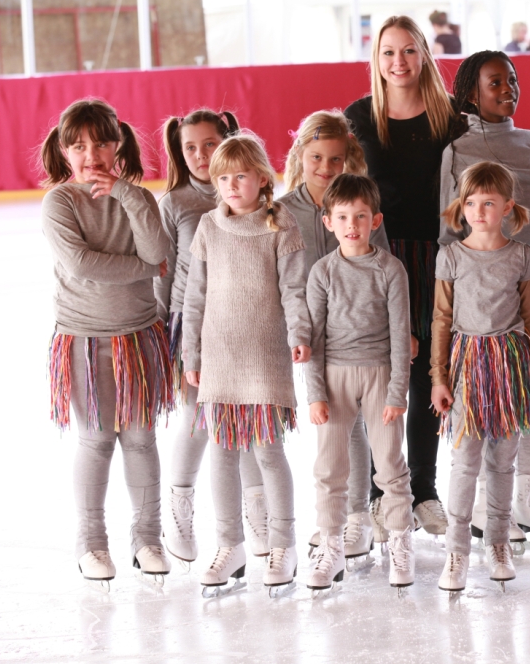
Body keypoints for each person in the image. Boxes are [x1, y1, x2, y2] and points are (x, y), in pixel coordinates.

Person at [439, 50, 530, 546]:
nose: (508, 88)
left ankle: (526, 499)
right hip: (477, 294)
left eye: (512, 80)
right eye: (495, 82)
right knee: (477, 396)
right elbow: (447, 229)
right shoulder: (457, 149)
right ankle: (480, 502)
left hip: (529, 283)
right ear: (472, 93)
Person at [40, 98, 173, 587]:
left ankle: (148, 538)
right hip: (84, 338)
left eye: (100, 143)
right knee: (96, 440)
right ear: (64, 151)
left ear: (118, 145)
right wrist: (145, 268)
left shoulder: (138, 198)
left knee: (140, 438)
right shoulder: (60, 202)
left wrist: (126, 196)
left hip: (139, 336)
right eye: (78, 146)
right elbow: (83, 266)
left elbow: (159, 248)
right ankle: (92, 543)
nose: (90, 155)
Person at [344, 15, 458, 541]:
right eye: (388, 52)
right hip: (379, 259)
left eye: (409, 50)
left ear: (424, 56)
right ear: (377, 59)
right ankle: (381, 492)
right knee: (382, 378)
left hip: (437, 258)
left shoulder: (450, 117)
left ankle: (425, 489)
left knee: (427, 376)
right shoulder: (360, 117)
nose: (399, 61)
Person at [182, 133, 311, 596]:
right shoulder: (209, 227)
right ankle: (230, 545)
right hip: (220, 356)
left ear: (261, 178)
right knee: (222, 452)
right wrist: (191, 352)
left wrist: (299, 334)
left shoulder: (282, 225)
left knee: (268, 452)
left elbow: (294, 289)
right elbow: (195, 296)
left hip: (264, 356)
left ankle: (283, 544)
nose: (231, 186)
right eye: (223, 178)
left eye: (240, 176)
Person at [156, 108, 272, 570]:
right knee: (199, 420)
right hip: (191, 323)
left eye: (210, 144)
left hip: (243, 323)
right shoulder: (176, 203)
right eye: (190, 147)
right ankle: (179, 508)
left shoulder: (250, 195)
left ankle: (257, 516)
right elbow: (163, 273)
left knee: (245, 423)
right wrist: (163, 333)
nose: (201, 155)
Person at [431, 161, 530, 592]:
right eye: (471, 202)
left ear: (507, 207)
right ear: (461, 206)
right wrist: (439, 377)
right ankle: (457, 550)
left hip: (511, 366)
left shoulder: (521, 255)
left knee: (503, 462)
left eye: (489, 203)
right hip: (467, 365)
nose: (478, 211)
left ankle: (498, 543)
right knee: (465, 462)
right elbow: (441, 320)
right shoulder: (450, 256)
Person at [276, 110, 387, 560]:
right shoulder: (282, 212)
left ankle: (358, 516)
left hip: (358, 337)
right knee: (327, 425)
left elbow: (384, 263)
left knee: (354, 424)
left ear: (348, 159)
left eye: (335, 159)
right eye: (316, 157)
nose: (325, 167)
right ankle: (331, 518)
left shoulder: (360, 201)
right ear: (300, 155)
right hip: (309, 336)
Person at [305, 174, 415, 593]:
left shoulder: (391, 270)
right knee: (330, 468)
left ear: (375, 221)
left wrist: (397, 392)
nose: (352, 225)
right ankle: (331, 546)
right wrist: (315, 394)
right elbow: (315, 338)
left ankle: (400, 541)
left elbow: (400, 335)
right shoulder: (322, 272)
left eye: (360, 216)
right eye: (342, 217)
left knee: (390, 466)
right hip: (335, 377)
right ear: (328, 222)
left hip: (379, 376)